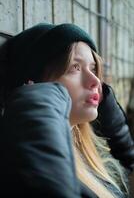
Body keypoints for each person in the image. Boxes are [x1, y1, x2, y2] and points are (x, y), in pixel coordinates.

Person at [0, 23, 134, 197]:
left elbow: (127, 175)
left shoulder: (90, 156)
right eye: (75, 68)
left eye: (93, 68)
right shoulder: (18, 164)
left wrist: (120, 139)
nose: (96, 81)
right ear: (35, 88)